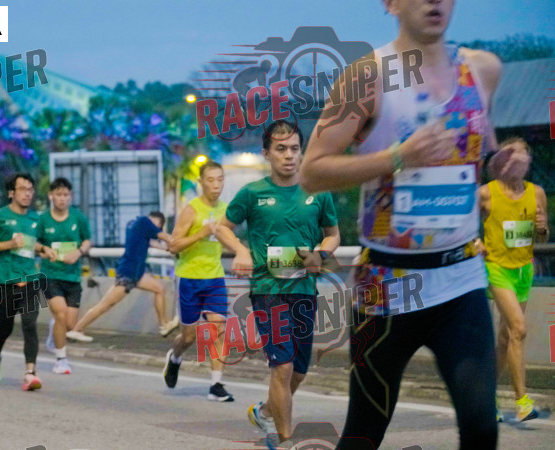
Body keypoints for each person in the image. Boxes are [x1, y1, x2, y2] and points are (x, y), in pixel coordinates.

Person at [299, 1, 528, 447]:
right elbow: (312, 170)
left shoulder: (483, 70)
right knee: (364, 432)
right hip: (387, 284)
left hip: (460, 278)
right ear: (391, 3)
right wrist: (398, 157)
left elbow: (481, 150)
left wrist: (499, 164)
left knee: (482, 427)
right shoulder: (367, 77)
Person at [216, 121, 339, 448]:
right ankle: (284, 440)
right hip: (267, 290)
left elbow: (333, 234)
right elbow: (223, 227)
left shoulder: (318, 192)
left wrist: (320, 254)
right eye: (281, 149)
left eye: (295, 149)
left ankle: (265, 411)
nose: (289, 155)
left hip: (304, 289)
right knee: (282, 367)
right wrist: (241, 250)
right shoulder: (252, 193)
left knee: (298, 371)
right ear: (266, 154)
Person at [477, 137, 548, 422]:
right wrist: (473, 241)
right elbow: (462, 223)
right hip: (496, 269)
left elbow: (540, 237)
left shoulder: (537, 193)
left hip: (523, 271)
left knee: (507, 338)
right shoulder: (486, 194)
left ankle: (486, 396)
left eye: (523, 157)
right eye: (512, 156)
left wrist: (541, 229)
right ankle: (523, 403)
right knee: (519, 328)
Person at [163, 160, 237, 402]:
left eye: (220, 179)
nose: (216, 185)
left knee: (219, 328)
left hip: (215, 278)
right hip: (189, 279)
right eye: (210, 180)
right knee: (189, 337)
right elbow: (174, 245)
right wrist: (201, 233)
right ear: (201, 182)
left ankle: (216, 384)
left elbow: (229, 239)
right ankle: (175, 357)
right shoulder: (191, 210)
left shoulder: (226, 210)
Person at [0, 173, 46, 391]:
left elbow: (33, 244)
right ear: (11, 193)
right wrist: (9, 244)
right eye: (22, 189)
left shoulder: (35, 219)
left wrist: (44, 249)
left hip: (30, 278)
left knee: (30, 323)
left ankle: (30, 373)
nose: (27, 194)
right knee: (5, 328)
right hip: (6, 280)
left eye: (30, 189)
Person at [67, 211, 173, 341]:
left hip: (136, 274)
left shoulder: (138, 225)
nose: (157, 229)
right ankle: (77, 329)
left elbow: (155, 243)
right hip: (128, 274)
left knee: (159, 289)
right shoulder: (145, 222)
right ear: (156, 221)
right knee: (105, 305)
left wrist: (167, 248)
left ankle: (163, 325)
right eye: (159, 226)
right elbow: (168, 238)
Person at [37, 178, 92, 374]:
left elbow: (87, 240)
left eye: (65, 195)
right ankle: (61, 360)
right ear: (51, 196)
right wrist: (44, 249)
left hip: (73, 276)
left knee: (69, 324)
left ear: (70, 197)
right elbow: (33, 242)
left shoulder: (78, 218)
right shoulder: (43, 219)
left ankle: (55, 330)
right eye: (58, 194)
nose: (62, 198)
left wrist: (78, 252)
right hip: (50, 274)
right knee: (60, 312)